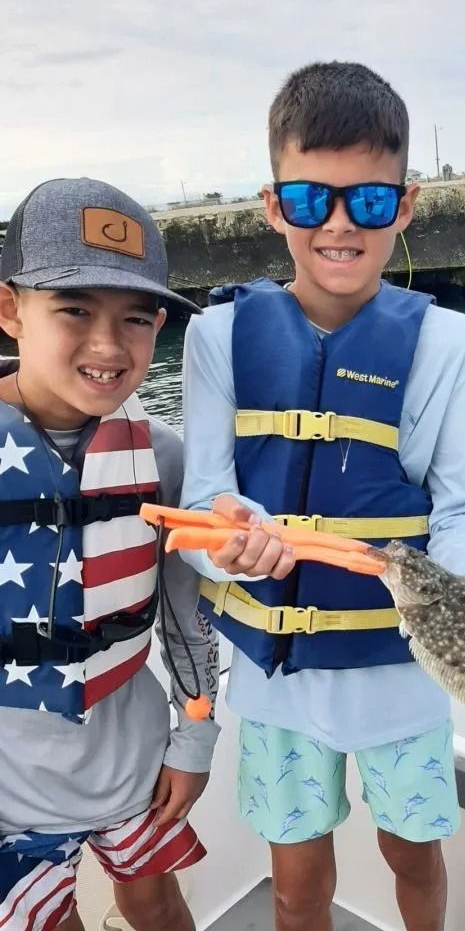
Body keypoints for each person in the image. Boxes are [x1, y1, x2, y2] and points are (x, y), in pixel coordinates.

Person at [181, 61, 465, 931]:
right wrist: (229, 540)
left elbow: (457, 517)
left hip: (403, 670)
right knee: (294, 885)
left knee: (413, 854)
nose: (337, 225)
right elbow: (208, 496)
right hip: (273, 678)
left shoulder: (450, 343)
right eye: (308, 200)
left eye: (366, 202)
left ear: (402, 206)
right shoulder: (216, 336)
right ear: (271, 203)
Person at [0, 178, 219, 931]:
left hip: (134, 766)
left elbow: (190, 624)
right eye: (73, 309)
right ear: (9, 310)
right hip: (8, 793)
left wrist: (195, 741)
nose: (107, 344)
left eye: (136, 317)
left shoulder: (165, 458)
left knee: (157, 901)